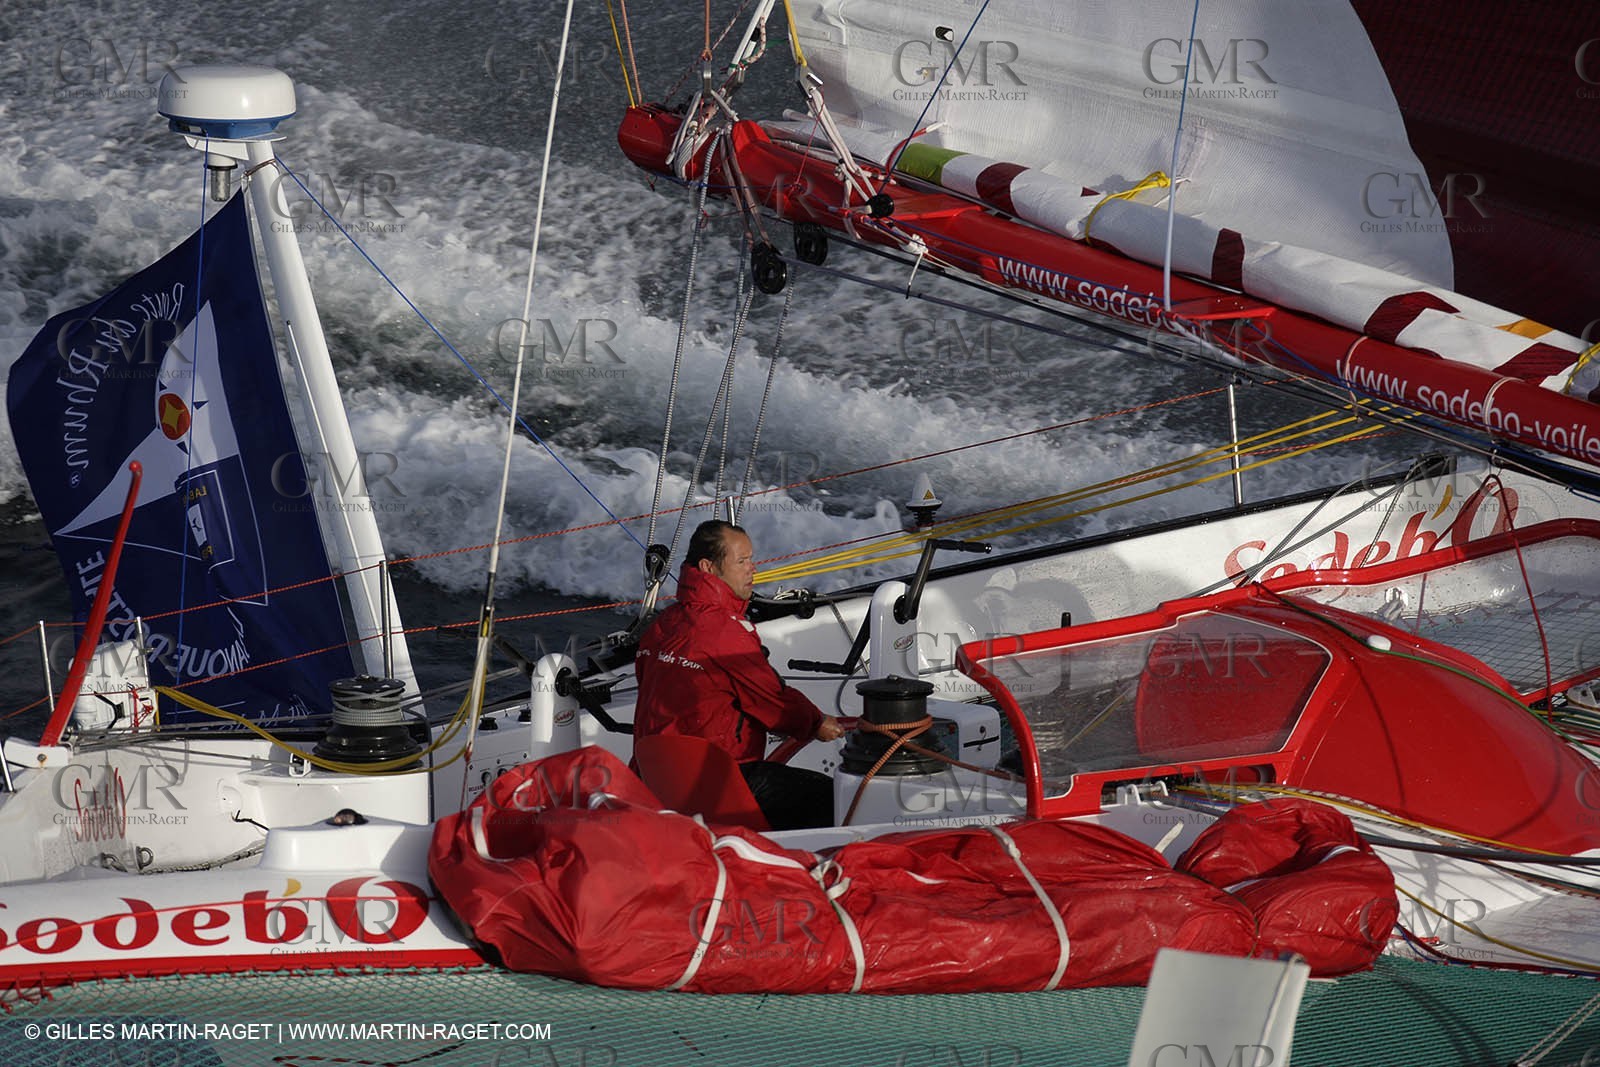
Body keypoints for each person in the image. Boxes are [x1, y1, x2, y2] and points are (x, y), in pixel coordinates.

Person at [634, 520, 845, 830]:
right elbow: (773, 705)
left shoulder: (662, 625)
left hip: (655, 779)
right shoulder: (724, 632)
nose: (753, 569)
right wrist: (816, 723)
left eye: (752, 559)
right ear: (709, 567)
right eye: (742, 561)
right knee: (835, 798)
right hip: (713, 784)